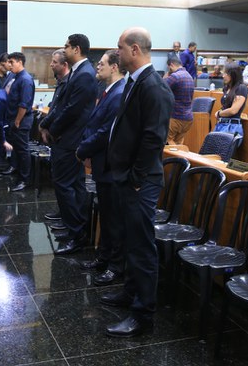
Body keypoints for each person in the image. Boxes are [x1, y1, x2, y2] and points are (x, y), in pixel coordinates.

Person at [101, 27, 173, 338]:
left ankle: (143, 315)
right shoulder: (135, 80)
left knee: (142, 248)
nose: (116, 52)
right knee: (131, 241)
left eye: (119, 47)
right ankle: (130, 292)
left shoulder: (154, 86)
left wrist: (136, 179)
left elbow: (153, 138)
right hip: (128, 177)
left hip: (140, 182)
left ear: (134, 49)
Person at [39, 34, 97, 255]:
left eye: (67, 46)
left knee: (64, 185)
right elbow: (62, 106)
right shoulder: (77, 72)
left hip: (71, 140)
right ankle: (74, 229)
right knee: (74, 185)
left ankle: (77, 234)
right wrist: (47, 125)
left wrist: (52, 130)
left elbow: (71, 110)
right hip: (69, 138)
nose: (64, 50)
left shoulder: (85, 74)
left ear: (76, 48)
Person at [75, 50, 126, 286]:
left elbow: (105, 132)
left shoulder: (118, 94)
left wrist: (83, 149)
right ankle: (103, 258)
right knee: (106, 216)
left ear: (114, 67)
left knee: (114, 220)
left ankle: (115, 266)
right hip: (102, 164)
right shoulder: (107, 91)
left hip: (111, 166)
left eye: (102, 64)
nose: (98, 67)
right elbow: (94, 124)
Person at [4, 52, 35, 192]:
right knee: (17, 148)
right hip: (14, 119)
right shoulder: (16, 77)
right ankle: (17, 171)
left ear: (20, 62)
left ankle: (24, 180)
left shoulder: (25, 79)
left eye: (12, 62)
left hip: (21, 121)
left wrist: (17, 121)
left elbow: (24, 104)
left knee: (23, 150)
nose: (9, 65)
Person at [164, 57, 194, 145]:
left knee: (167, 142)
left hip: (175, 117)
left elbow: (160, 87)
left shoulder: (175, 76)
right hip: (188, 118)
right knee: (178, 143)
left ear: (171, 65)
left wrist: (166, 76)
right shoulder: (189, 76)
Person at [214, 62, 247, 141]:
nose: (223, 76)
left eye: (225, 73)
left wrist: (219, 113)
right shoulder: (226, 88)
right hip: (221, 124)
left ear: (233, 74)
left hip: (232, 127)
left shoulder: (241, 88)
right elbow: (225, 106)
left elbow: (233, 110)